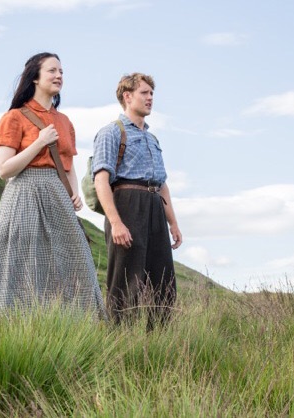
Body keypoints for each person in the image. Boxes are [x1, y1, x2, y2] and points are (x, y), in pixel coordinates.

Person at [0, 52, 106, 319]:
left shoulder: (64, 122)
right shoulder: (14, 117)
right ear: (35, 77)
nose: (59, 75)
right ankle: (12, 326)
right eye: (52, 71)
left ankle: (80, 326)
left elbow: (69, 165)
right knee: (25, 262)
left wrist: (74, 194)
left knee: (76, 259)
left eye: (61, 71)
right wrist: (38, 142)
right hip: (23, 192)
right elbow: (4, 169)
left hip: (57, 194)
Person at [92, 73, 182, 330]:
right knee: (125, 282)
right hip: (127, 205)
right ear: (127, 96)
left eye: (152, 93)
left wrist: (173, 224)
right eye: (145, 93)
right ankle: (120, 345)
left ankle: (158, 345)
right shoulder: (111, 132)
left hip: (155, 207)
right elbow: (101, 180)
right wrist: (116, 222)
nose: (150, 98)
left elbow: (162, 183)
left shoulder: (152, 139)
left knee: (163, 283)